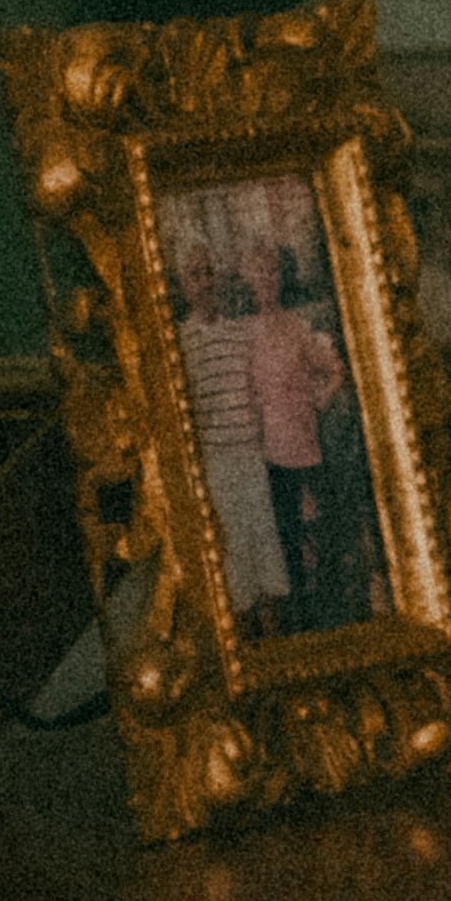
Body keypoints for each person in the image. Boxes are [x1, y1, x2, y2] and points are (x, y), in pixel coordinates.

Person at [239, 240, 360, 631]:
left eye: (272, 271)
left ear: (280, 277)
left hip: (307, 446)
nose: (267, 280)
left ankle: (336, 616)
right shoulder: (246, 334)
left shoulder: (296, 326)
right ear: (249, 279)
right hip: (271, 453)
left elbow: (335, 369)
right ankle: (300, 625)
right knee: (286, 543)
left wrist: (318, 404)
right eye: (259, 272)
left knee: (322, 536)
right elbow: (247, 393)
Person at [170, 243, 293, 617]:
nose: (205, 282)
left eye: (209, 272)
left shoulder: (240, 334)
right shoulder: (180, 341)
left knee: (265, 547)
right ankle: (245, 639)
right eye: (195, 275)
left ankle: (273, 639)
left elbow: (260, 387)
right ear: (183, 285)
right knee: (233, 554)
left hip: (251, 457)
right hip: (217, 464)